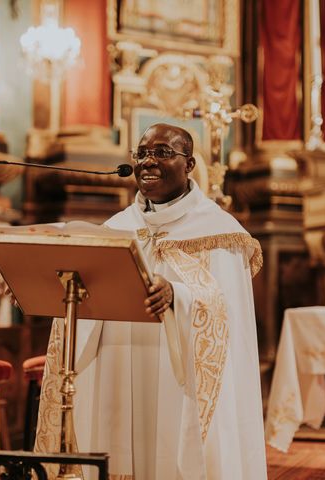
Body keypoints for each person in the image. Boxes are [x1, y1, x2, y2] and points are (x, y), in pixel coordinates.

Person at [34, 123, 267, 479]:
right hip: (119, 362)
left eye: (162, 153)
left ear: (189, 164)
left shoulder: (220, 232)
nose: (148, 162)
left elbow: (227, 312)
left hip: (179, 375)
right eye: (142, 153)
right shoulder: (116, 228)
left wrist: (179, 295)